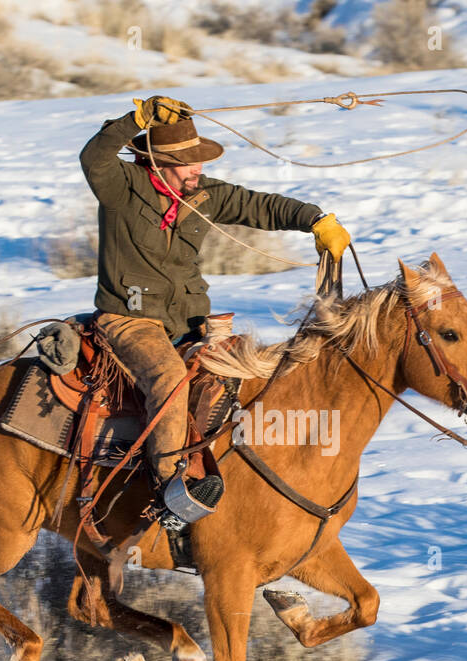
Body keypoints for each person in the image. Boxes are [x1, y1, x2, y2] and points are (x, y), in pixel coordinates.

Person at [79, 94, 351, 528]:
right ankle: (171, 491)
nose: (197, 169)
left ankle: (241, 483)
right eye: (188, 163)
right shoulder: (120, 187)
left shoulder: (203, 195)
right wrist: (138, 118)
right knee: (169, 379)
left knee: (248, 373)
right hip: (129, 319)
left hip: (189, 321)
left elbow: (259, 206)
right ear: (159, 164)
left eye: (199, 162)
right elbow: (94, 154)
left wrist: (315, 220)